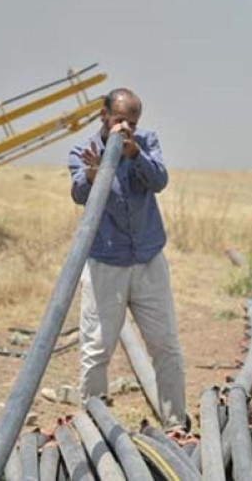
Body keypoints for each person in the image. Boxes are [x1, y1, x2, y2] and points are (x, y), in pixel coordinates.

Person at [68, 88, 188, 431]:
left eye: (132, 122)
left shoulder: (145, 143)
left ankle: (176, 423)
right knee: (96, 348)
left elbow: (159, 180)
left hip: (148, 260)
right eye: (120, 120)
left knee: (165, 344)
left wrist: (135, 155)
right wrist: (93, 173)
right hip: (106, 263)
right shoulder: (83, 151)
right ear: (103, 115)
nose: (126, 127)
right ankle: (94, 426)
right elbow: (79, 192)